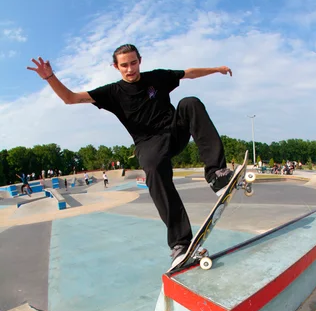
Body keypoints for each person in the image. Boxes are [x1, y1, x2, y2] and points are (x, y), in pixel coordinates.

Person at [27, 44, 234, 267]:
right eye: (124, 65)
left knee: (190, 103)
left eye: (133, 63)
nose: (130, 69)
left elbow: (189, 73)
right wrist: (49, 77)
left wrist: (216, 69)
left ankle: (216, 174)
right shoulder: (112, 93)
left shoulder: (157, 77)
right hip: (148, 143)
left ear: (140, 61)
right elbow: (70, 98)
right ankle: (181, 243)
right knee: (153, 169)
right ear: (116, 67)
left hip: (174, 132)